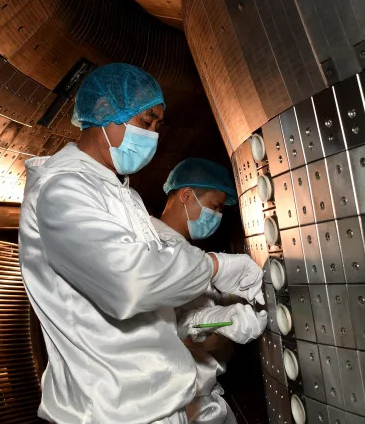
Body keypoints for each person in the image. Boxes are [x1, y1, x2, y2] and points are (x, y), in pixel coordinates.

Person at [18, 63, 265, 424]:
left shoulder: (120, 193)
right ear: (106, 114)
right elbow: (129, 283)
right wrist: (217, 267)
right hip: (110, 411)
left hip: (156, 400)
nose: (153, 136)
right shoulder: (63, 189)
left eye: (157, 127)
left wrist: (222, 319)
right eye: (146, 122)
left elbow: (163, 312)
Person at [151, 158, 268, 424]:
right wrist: (221, 324)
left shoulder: (187, 253)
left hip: (201, 400)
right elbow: (183, 336)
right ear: (186, 195)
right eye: (215, 207)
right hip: (183, 408)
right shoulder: (156, 249)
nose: (217, 216)